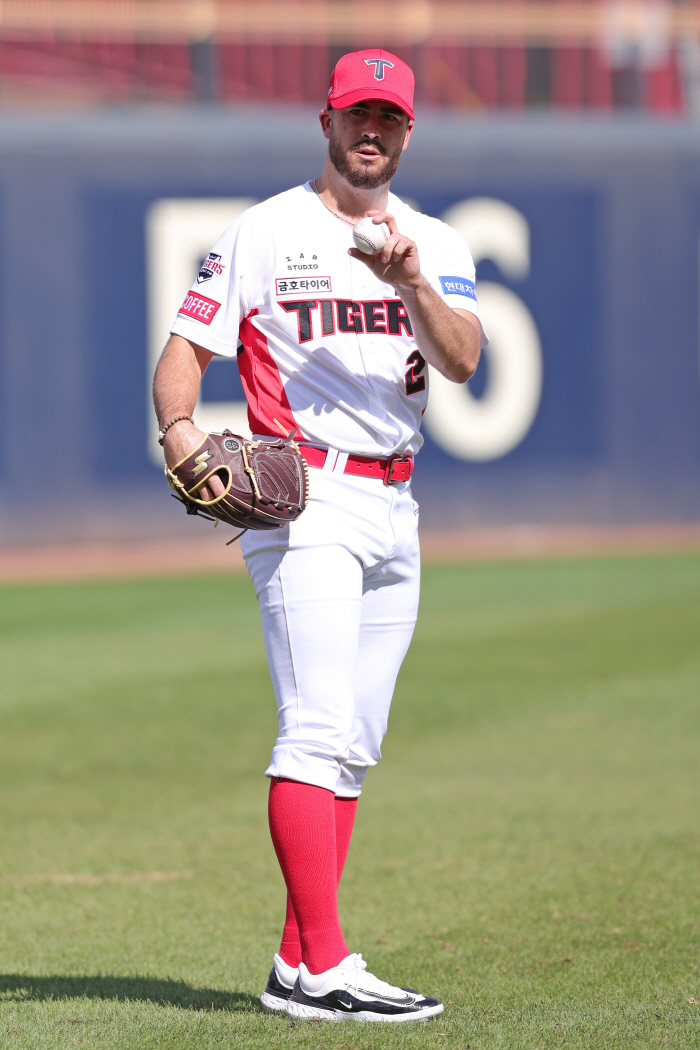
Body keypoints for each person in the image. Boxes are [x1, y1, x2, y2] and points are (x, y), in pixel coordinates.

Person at [152, 48, 485, 1023]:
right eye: (356, 115)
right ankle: (332, 965)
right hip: (302, 501)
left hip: (395, 504)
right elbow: (183, 354)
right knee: (315, 729)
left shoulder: (437, 242)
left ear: (407, 132)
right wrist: (180, 433)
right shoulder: (265, 231)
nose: (370, 131)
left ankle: (298, 964)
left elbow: (463, 361)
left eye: (387, 117)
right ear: (326, 123)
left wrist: (413, 280)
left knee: (354, 746)